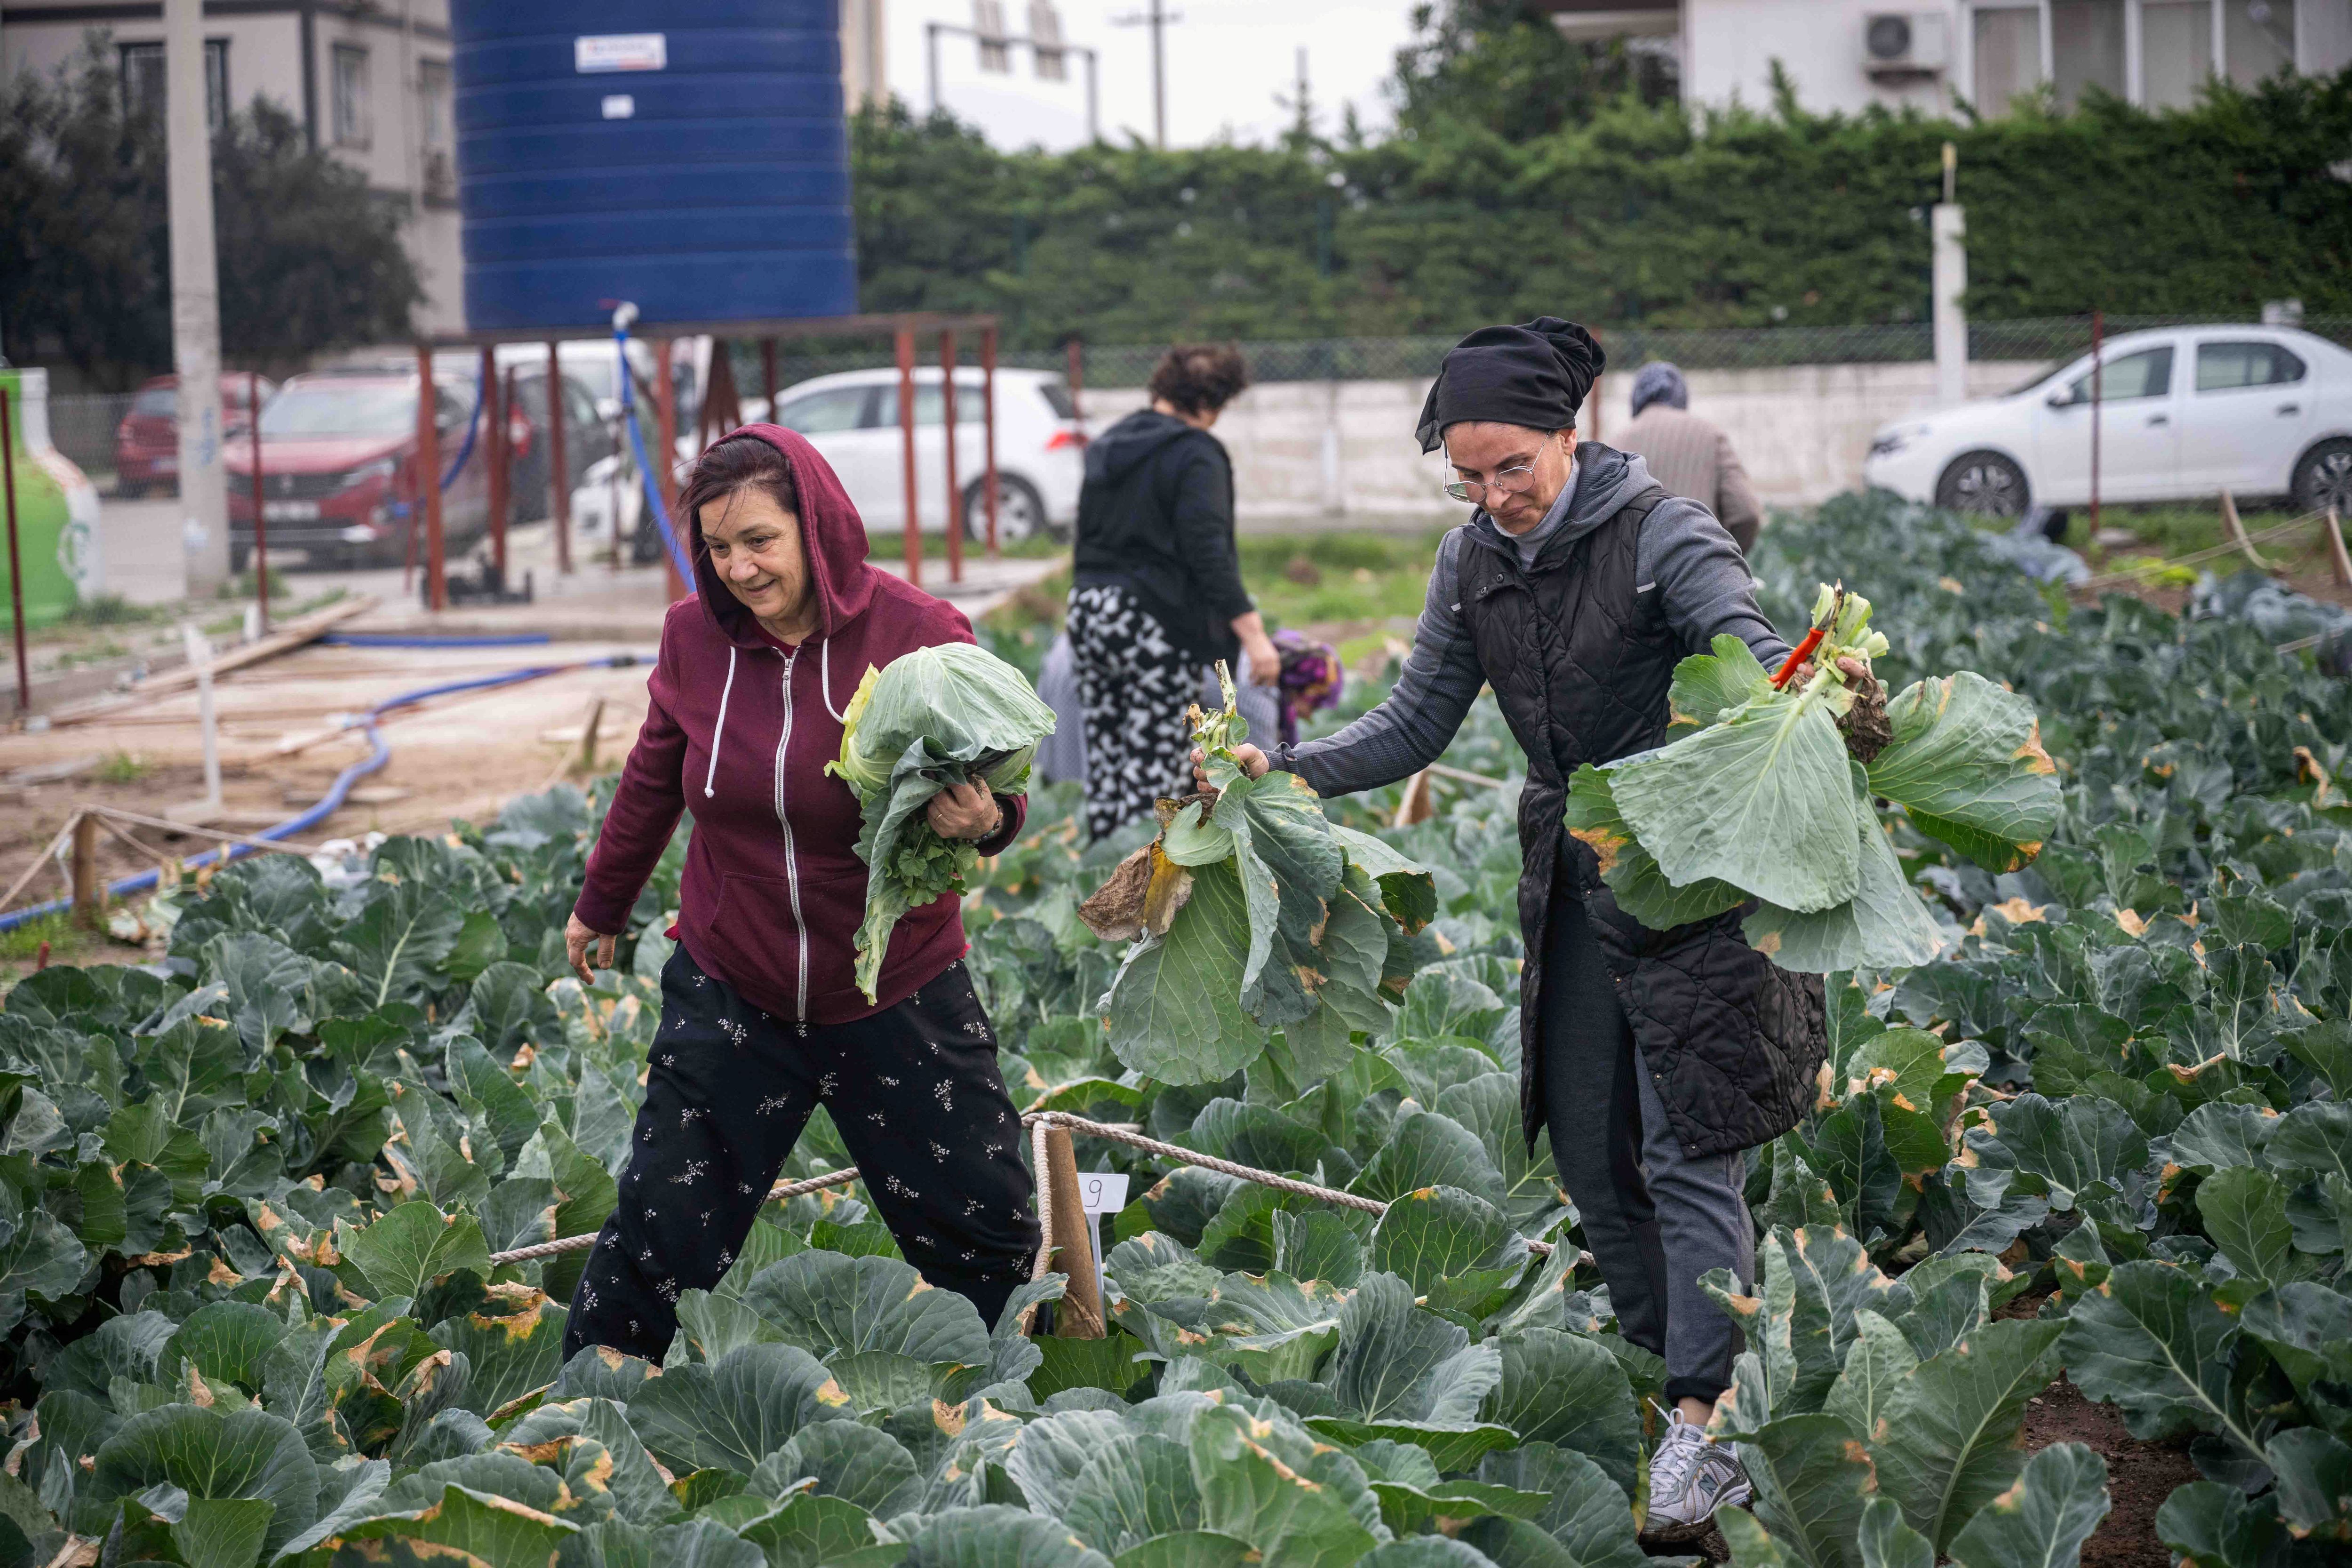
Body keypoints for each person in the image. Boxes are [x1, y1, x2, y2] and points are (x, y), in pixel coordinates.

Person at [1198, 318, 1831, 1541]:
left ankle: (1702, 1420)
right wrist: (1285, 768)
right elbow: (1414, 722)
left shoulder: (1661, 534)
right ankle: (1672, 1374)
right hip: (1573, 878)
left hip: (1691, 870)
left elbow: (1749, 651)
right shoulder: (1468, 562)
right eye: (1468, 478)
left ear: (1567, 435)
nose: (1494, 496)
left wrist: (1805, 689)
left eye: (1512, 469)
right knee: (1589, 1146)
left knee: (1687, 1140)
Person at [559, 425, 1038, 1364]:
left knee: (983, 1227)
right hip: (733, 980)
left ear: (814, 527)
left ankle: (1002, 1406)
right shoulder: (692, 638)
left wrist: (987, 818)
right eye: (717, 547)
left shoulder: (917, 635)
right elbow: (653, 775)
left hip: (892, 978)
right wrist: (601, 903)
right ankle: (589, 1412)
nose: (738, 567)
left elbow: (1002, 782)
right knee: (660, 1229)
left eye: (759, 540)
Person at [1068, 343, 1278, 842]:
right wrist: (1254, 635)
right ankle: (1145, 879)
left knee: (1106, 762)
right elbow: (1208, 551)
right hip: (1151, 620)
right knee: (1154, 768)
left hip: (1089, 611)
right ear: (1209, 402)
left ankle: (1105, 868)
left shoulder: (1109, 444)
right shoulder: (1195, 452)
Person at [1612, 361, 1765, 553]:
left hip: (1632, 570)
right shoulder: (1710, 435)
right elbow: (1746, 513)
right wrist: (1724, 558)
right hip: (1700, 565)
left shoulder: (1616, 444)